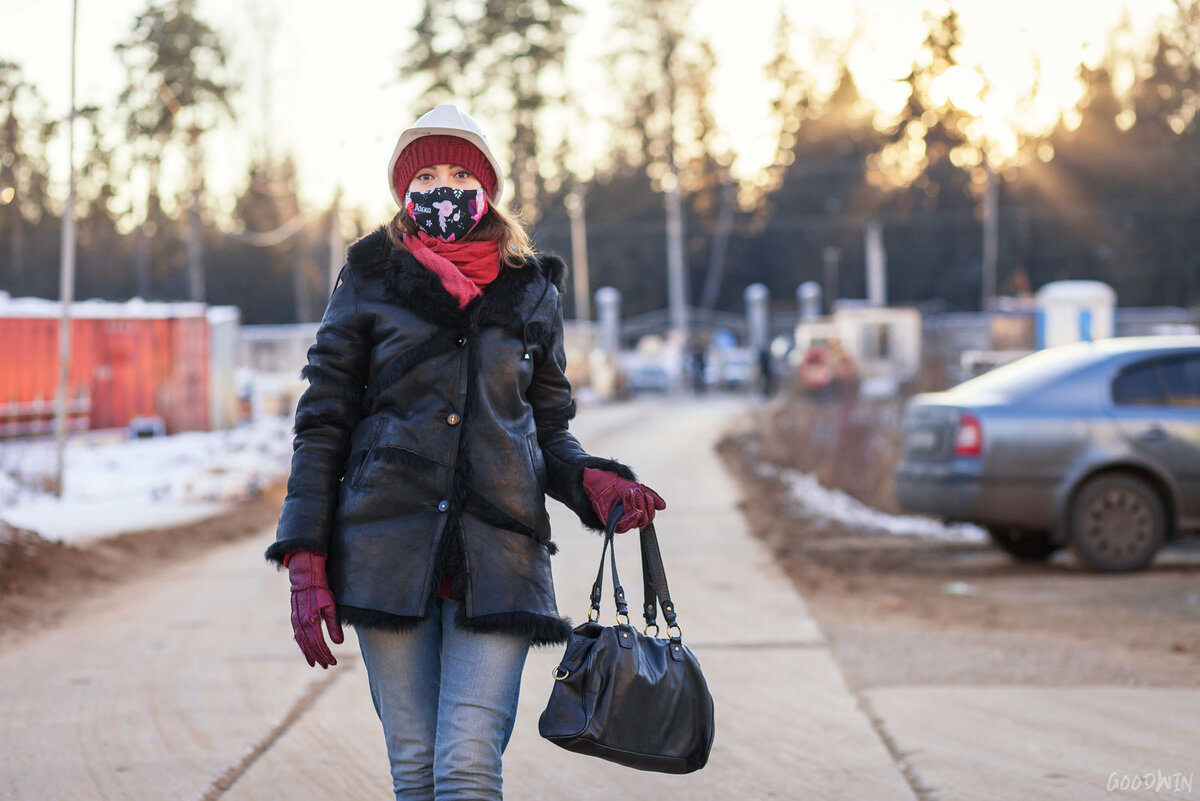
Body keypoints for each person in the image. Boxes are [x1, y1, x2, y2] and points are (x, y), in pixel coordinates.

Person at [264, 104, 666, 801]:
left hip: (501, 555)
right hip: (387, 552)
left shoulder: (531, 288)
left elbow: (547, 429)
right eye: (425, 174)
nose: (442, 187)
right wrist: (306, 554)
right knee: (416, 764)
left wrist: (593, 482)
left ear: (486, 187)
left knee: (468, 762)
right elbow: (323, 420)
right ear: (402, 190)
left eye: (458, 171)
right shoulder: (367, 277)